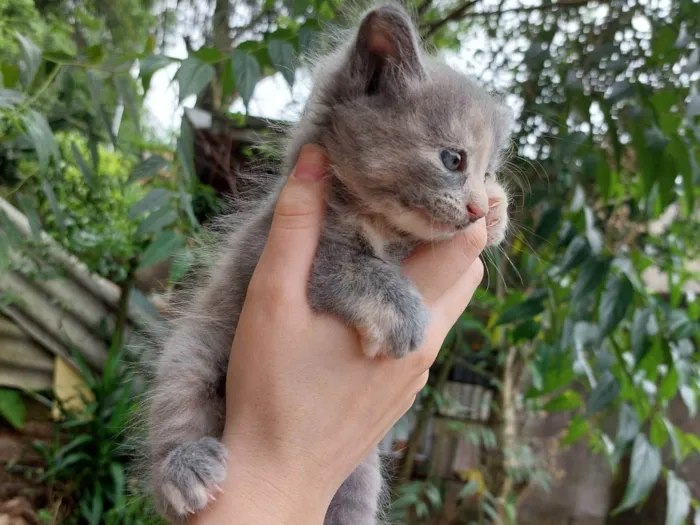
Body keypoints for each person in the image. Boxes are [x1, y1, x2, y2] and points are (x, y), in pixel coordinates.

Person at [190, 145, 487, 525]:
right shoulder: (329, 200)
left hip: (323, 455)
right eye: (454, 161)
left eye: (487, 173)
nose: (476, 201)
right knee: (191, 360)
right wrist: (287, 469)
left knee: (359, 490)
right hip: (217, 389)